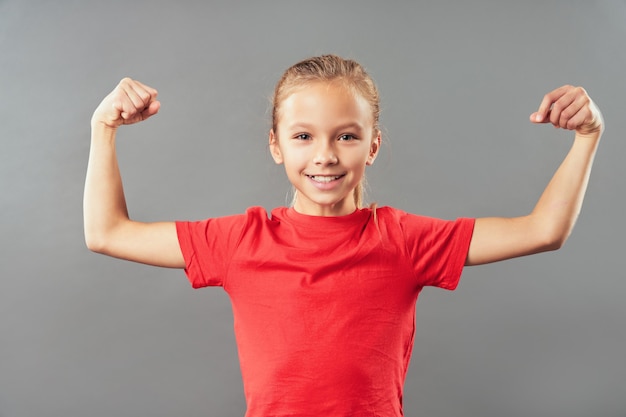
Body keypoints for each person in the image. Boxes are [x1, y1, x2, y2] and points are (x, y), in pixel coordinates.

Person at [84, 55, 603, 417]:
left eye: (346, 136)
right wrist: (102, 127)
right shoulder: (241, 240)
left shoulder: (404, 240)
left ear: (372, 146)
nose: (325, 155)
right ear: (276, 146)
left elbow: (544, 230)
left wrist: (587, 136)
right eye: (303, 136)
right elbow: (106, 233)